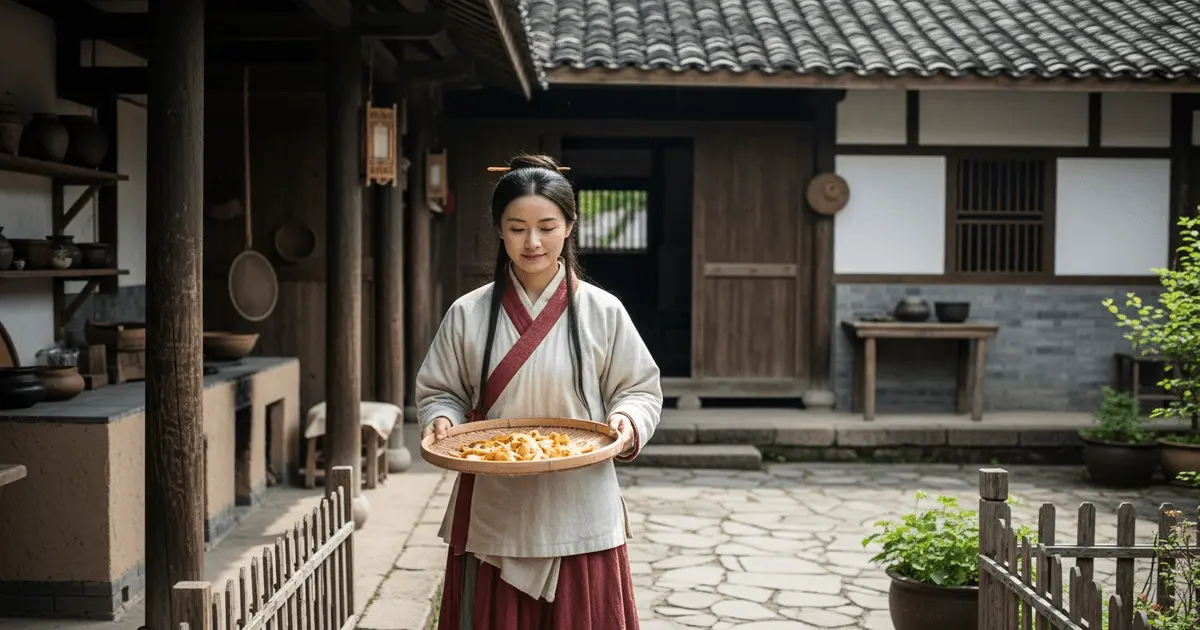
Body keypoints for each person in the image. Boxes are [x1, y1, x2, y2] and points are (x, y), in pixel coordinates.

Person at [417, 153, 662, 629]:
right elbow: (439, 391)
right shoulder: (468, 314)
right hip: (494, 503)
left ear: (570, 225)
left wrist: (628, 422)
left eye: (547, 226)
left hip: (580, 502)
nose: (532, 242)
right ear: (498, 229)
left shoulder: (602, 311)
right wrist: (441, 419)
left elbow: (639, 390)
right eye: (517, 228)